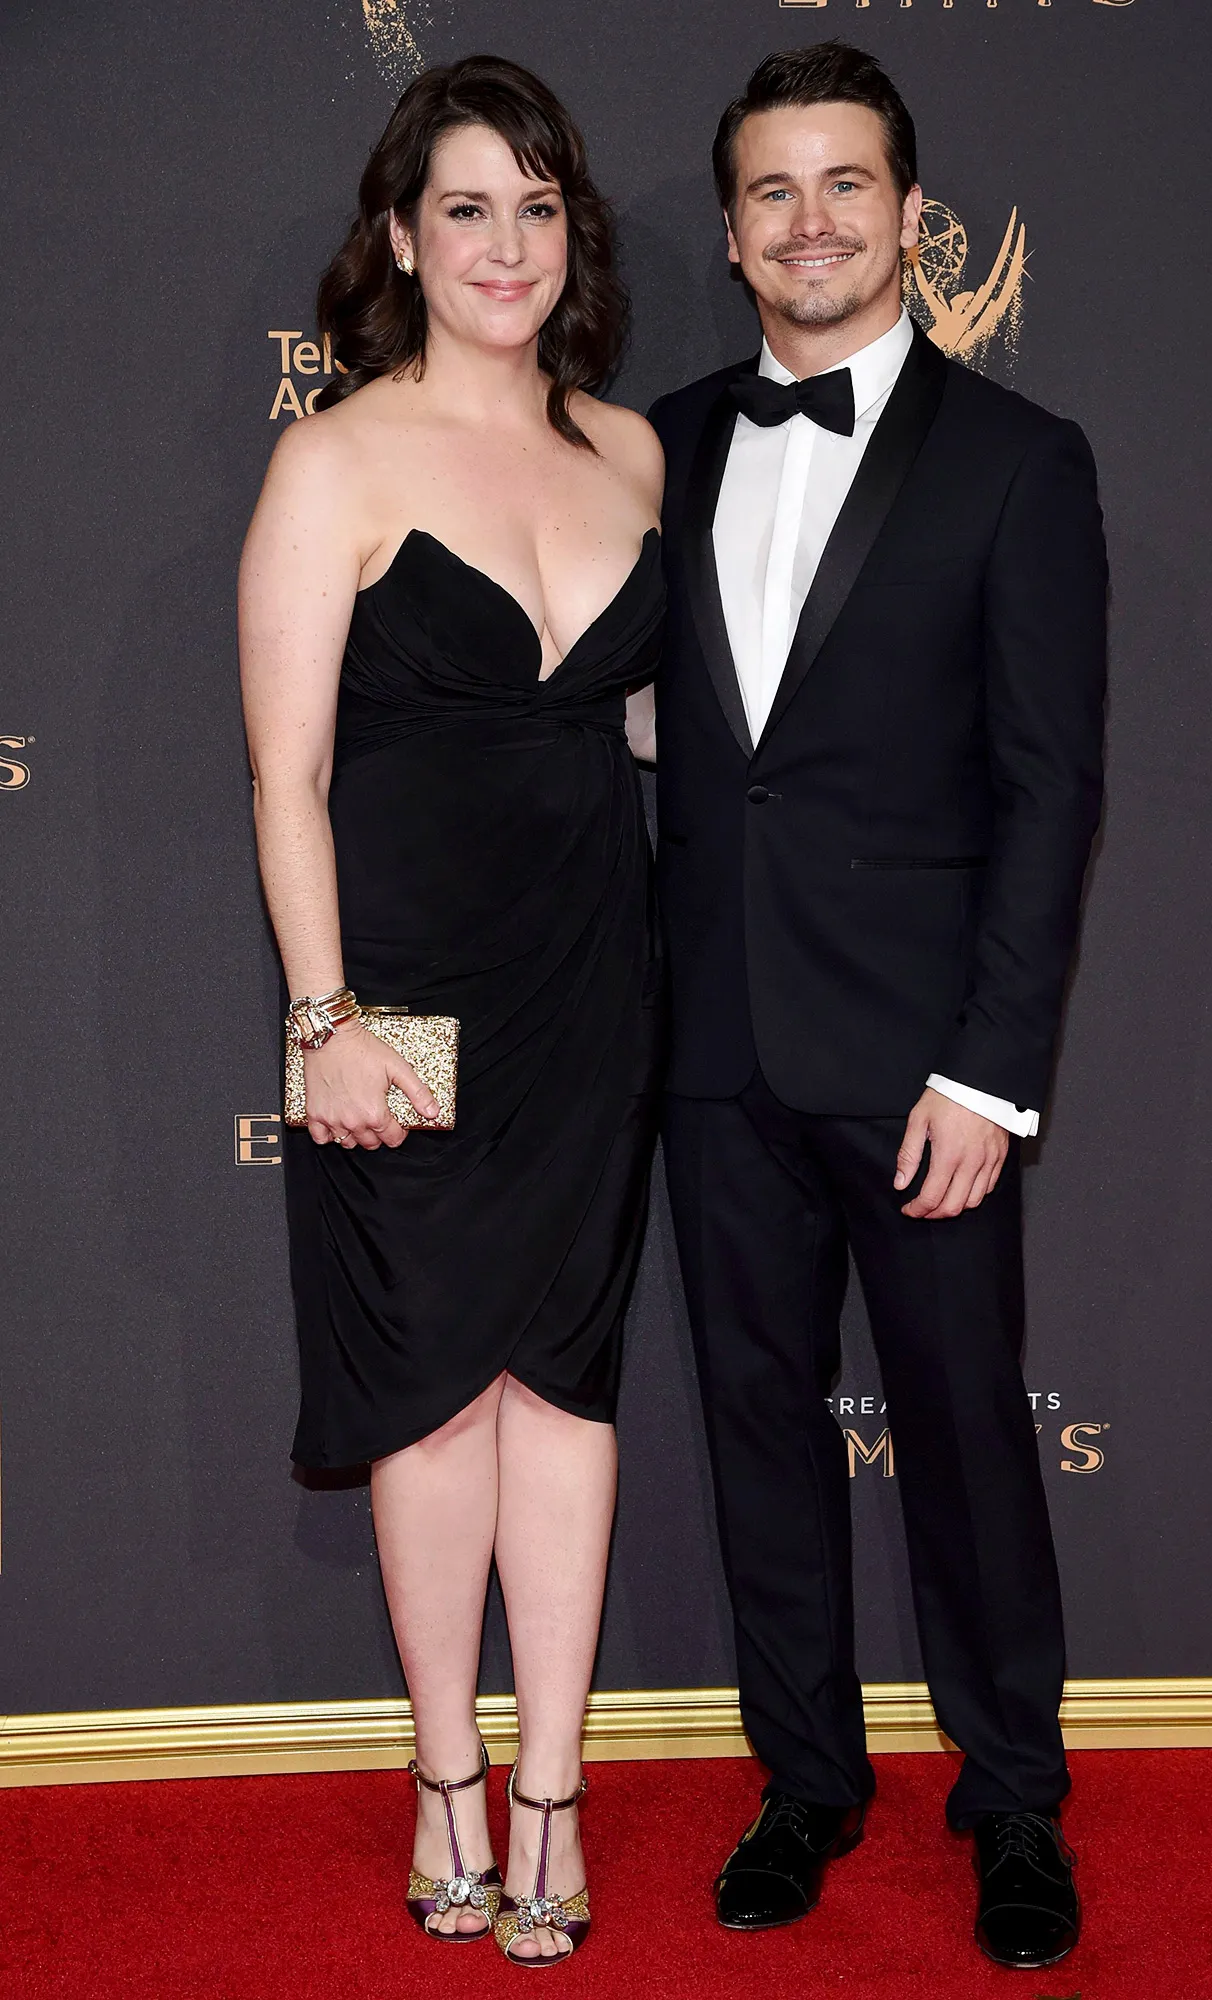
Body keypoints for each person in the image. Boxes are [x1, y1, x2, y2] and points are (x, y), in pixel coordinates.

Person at [651, 42, 1106, 1972]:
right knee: (755, 1433)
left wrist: (991, 1074)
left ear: (911, 216)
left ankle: (1010, 1802)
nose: (809, 220)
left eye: (846, 183)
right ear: (729, 231)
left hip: (923, 1066)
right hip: (714, 1053)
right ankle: (805, 1784)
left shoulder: (1018, 458)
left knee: (968, 1445)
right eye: (772, 189)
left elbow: (1048, 788)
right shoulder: (655, 445)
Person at [239, 55, 663, 1967]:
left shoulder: (627, 452)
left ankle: (553, 1792)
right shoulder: (335, 459)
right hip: (398, 997)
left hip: (595, 989)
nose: (506, 246)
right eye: (466, 209)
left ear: (573, 234)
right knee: (429, 1400)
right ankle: (445, 1781)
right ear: (402, 240)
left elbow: (637, 724)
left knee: (564, 1389)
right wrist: (323, 1016)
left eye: (537, 207)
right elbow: (286, 775)